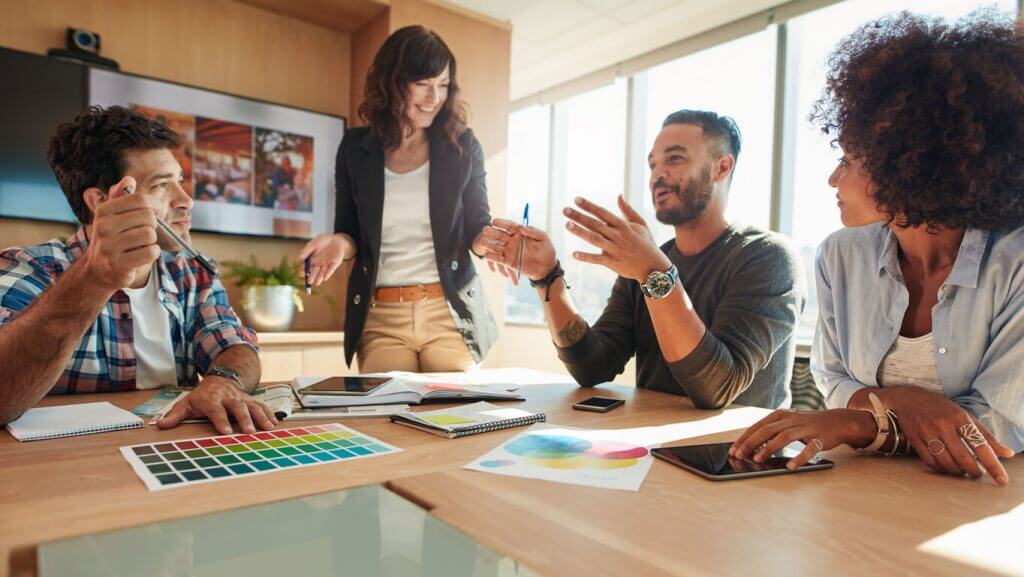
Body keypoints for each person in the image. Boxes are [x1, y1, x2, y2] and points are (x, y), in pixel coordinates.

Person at [731, 10, 1023, 485]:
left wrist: (862, 421)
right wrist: (907, 403)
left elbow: (1000, 425)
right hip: (865, 493)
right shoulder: (839, 256)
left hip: (984, 506)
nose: (833, 179)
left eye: (847, 160)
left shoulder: (1016, 263)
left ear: (913, 163)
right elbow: (834, 379)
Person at [482, 110, 805, 409]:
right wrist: (547, 276)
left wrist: (654, 272)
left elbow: (716, 388)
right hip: (652, 448)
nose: (657, 175)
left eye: (675, 159)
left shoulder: (769, 257)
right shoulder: (647, 263)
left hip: (741, 460)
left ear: (721, 166)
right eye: (652, 164)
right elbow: (594, 366)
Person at [0, 105, 275, 434]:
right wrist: (93, 280)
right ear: (102, 201)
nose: (186, 200)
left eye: (181, 182)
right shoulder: (31, 268)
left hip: (170, 449)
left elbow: (233, 344)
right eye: (161, 186)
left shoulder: (192, 272)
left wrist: (222, 380)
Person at [300, 26, 503, 373]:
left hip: (449, 312)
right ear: (392, 82)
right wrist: (338, 243)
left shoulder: (463, 146)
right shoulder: (354, 148)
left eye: (442, 85)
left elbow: (476, 227)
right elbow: (349, 231)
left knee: (457, 418)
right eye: (423, 84)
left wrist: (493, 242)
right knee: (384, 419)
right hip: (381, 318)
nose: (434, 97)